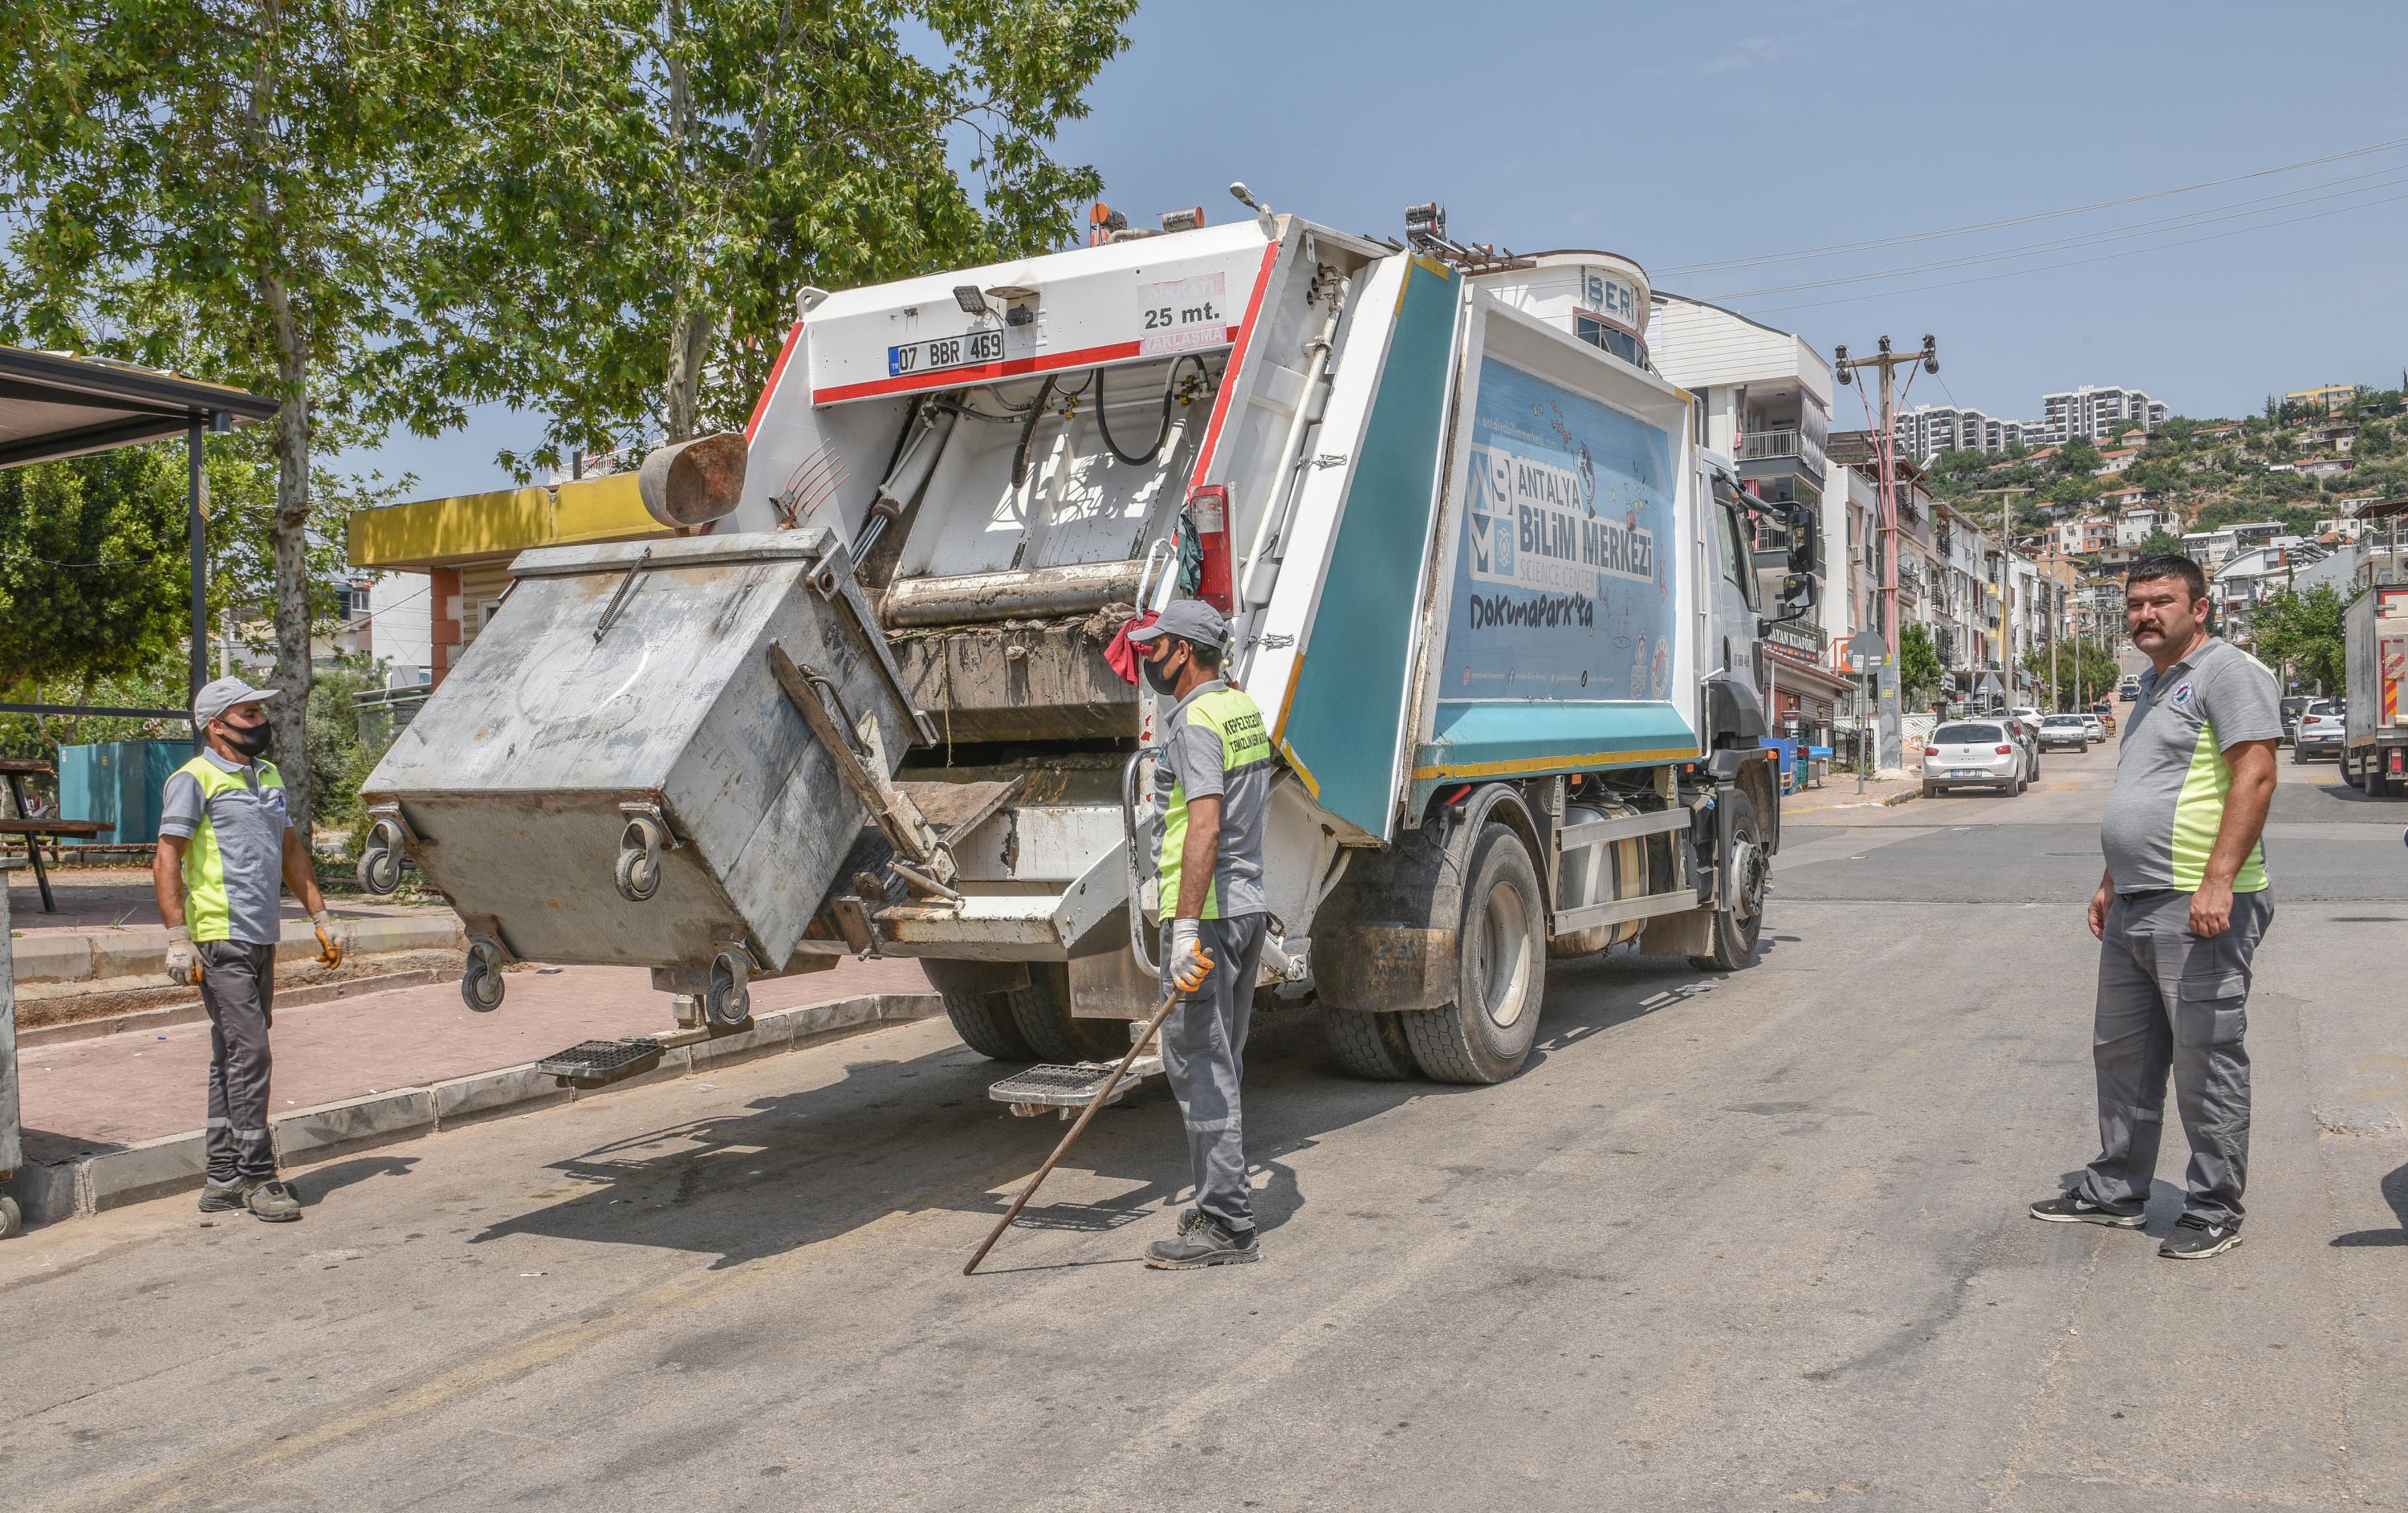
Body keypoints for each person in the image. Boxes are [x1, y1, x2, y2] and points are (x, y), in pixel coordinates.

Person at [2029, 555, 2278, 1260]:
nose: (2145, 614)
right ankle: (2115, 1190)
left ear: (2200, 607)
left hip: (2199, 899)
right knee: (2124, 1055)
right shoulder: (2150, 685)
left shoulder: (2228, 672)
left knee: (2207, 1057)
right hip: (2138, 898)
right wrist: (2113, 877)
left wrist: (2218, 880)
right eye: (2135, 603)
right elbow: (2148, 788)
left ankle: (2213, 1206)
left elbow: (2255, 774)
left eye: (2161, 601)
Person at [155, 676, 344, 1223]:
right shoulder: (193, 779)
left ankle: (221, 1176)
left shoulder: (268, 776)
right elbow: (167, 857)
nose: (261, 722)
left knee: (233, 1055)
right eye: (250, 713)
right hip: (219, 935)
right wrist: (177, 938)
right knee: (253, 1053)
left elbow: (289, 848)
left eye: (262, 712)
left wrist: (321, 917)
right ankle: (259, 1175)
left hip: (263, 934)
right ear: (216, 725)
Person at [1128, 599, 1272, 1270]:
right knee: (1225, 1056)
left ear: (1184, 652)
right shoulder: (1242, 709)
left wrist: (1184, 930)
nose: (1149, 658)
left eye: (1157, 647)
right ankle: (1222, 1198)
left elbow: (1205, 827)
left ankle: (1227, 1221)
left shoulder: (1192, 723)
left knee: (1198, 1061)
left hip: (1208, 915)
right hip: (1242, 909)